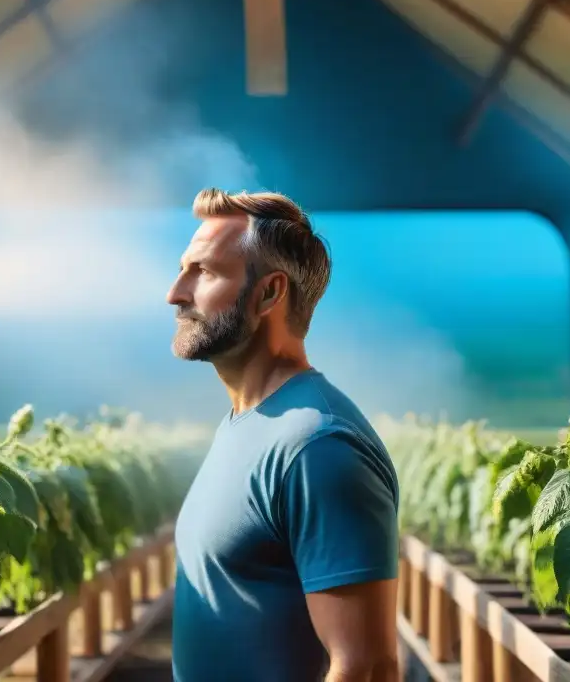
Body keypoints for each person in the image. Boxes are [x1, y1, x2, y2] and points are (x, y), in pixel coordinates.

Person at [166, 188, 401, 682]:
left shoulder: (317, 446)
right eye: (183, 268)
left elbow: (368, 666)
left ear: (269, 292)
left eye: (203, 272)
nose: (176, 292)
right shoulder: (246, 423)